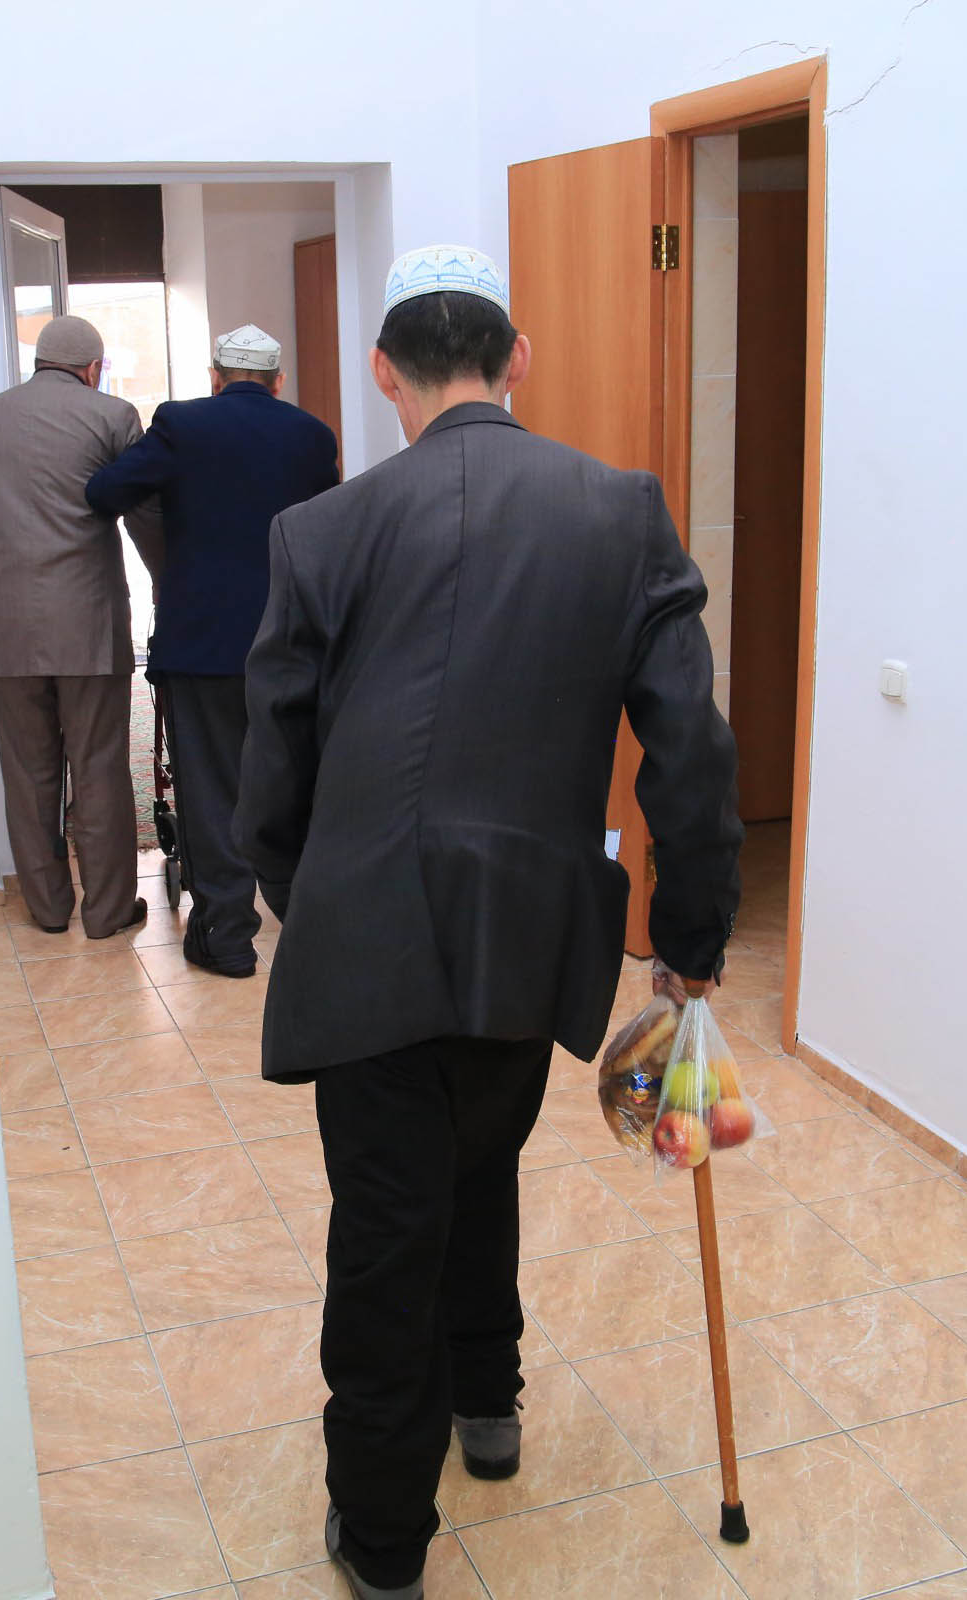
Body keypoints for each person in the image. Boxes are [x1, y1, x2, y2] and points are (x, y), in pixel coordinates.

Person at [235, 247, 742, 1600]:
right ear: (516, 360)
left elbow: (272, 763)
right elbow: (689, 747)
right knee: (477, 1160)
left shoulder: (322, 531)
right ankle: (487, 1401)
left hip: (368, 936)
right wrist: (690, 932)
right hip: (530, 931)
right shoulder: (621, 511)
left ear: (383, 372)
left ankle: (383, 1538)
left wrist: (302, 890)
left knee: (389, 1217)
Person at [85, 323, 338, 977]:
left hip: (203, 644)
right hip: (293, 641)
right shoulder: (312, 436)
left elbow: (105, 493)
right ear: (279, 381)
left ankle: (226, 936)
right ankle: (314, 927)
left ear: (215, 377)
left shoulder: (182, 425)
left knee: (211, 788)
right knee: (296, 781)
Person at [0, 315, 159, 939]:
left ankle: (47, 908)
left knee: (27, 771)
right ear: (93, 369)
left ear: (38, 362)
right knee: (99, 766)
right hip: (88, 621)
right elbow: (141, 513)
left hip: (3, 627)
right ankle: (108, 912)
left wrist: (9, 565)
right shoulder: (113, 416)